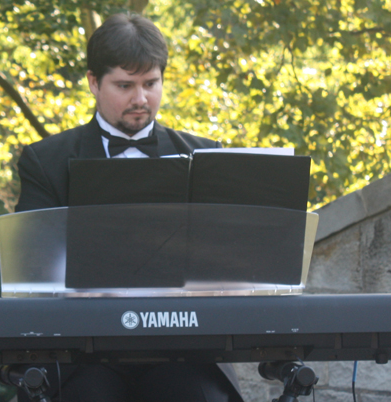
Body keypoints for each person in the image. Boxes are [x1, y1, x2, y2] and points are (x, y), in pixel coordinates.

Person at [15, 13, 244, 402]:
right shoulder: (44, 161)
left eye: (151, 84)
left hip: (183, 349)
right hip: (81, 353)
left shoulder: (205, 155)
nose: (141, 99)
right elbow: (30, 271)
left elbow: (228, 263)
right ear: (93, 83)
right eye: (125, 85)